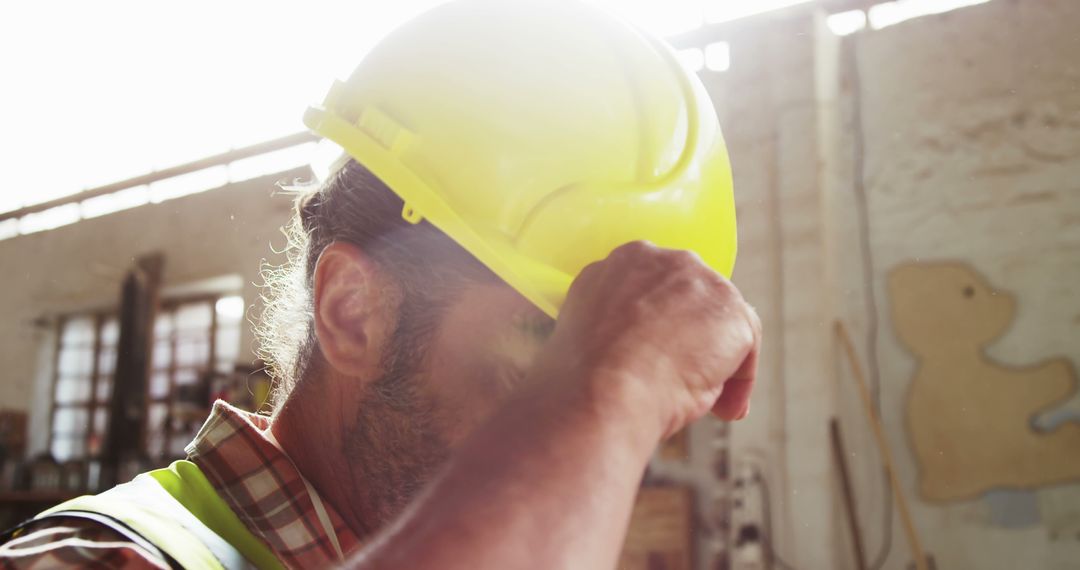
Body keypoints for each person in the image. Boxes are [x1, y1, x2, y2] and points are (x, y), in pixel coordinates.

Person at [0, 1, 760, 568]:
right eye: (543, 357)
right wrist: (616, 388)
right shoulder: (101, 555)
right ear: (354, 313)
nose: (575, 448)